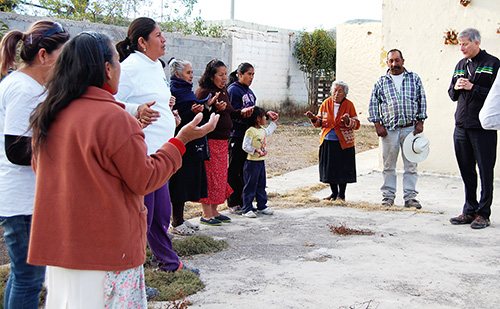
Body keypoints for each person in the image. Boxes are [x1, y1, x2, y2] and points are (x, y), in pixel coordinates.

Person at [27, 31, 218, 308]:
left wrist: (131, 136)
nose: (120, 68)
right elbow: (146, 178)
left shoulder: (50, 113)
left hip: (62, 253)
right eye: (117, 61)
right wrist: (181, 140)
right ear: (107, 69)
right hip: (106, 254)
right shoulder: (112, 118)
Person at [115, 17, 198, 274]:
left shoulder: (154, 66)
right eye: (158, 35)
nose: (164, 40)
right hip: (143, 154)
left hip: (160, 153)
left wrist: (167, 107)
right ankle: (136, 270)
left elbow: (153, 99)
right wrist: (134, 109)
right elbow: (108, 105)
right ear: (142, 42)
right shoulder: (128, 69)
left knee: (160, 214)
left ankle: (166, 262)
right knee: (146, 216)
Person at [0, 20, 69, 309]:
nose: (65, 65)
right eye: (62, 57)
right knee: (29, 278)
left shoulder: (28, 85)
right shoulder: (23, 89)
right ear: (43, 55)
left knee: (23, 276)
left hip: (26, 199)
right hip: (22, 201)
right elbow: (16, 150)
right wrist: (64, 151)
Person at [448, 28, 500, 229]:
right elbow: (451, 94)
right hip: (461, 126)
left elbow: (496, 96)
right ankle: (469, 210)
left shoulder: (493, 64)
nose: (461, 48)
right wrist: (457, 87)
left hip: (483, 128)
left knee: (485, 171)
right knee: (466, 170)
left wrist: (473, 88)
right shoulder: (461, 65)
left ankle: (483, 214)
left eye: (465, 44)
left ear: (476, 43)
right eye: (459, 44)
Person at [195, 59, 253, 226]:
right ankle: (206, 214)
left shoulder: (223, 91)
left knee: (220, 177)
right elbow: (197, 116)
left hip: (222, 141)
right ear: (211, 76)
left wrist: (242, 113)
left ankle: (214, 210)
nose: (224, 78)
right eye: (220, 75)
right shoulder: (204, 92)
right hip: (210, 141)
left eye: (225, 74)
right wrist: (211, 107)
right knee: (210, 177)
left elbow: (229, 112)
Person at [368, 49, 427, 209]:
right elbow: (374, 104)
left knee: (411, 165)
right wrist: (377, 124)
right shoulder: (381, 82)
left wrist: (420, 121)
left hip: (410, 129)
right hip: (389, 130)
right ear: (387, 63)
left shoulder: (414, 79)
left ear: (403, 60)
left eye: (397, 60)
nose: (394, 64)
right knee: (389, 166)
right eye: (391, 61)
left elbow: (422, 100)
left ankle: (410, 198)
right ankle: (388, 197)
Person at [168, 58, 218, 235]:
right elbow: (176, 118)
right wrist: (192, 112)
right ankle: (176, 222)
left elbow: (192, 112)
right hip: (183, 144)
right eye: (188, 72)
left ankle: (180, 219)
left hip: (194, 144)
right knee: (180, 182)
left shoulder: (186, 91)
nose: (191, 76)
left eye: (191, 72)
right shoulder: (174, 92)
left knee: (189, 181)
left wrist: (206, 106)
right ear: (177, 74)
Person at [227, 62, 278, 214]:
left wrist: (267, 113)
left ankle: (246, 202)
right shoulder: (233, 90)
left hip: (249, 136)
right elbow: (231, 113)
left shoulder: (250, 92)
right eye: (249, 74)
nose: (251, 77)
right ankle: (234, 202)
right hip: (237, 135)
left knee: (247, 171)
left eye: (253, 74)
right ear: (240, 74)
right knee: (235, 170)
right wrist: (243, 113)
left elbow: (255, 111)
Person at [305, 81, 360, 201]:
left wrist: (347, 121)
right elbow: (319, 122)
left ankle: (341, 195)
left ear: (345, 94)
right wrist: (313, 118)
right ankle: (333, 193)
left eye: (340, 91)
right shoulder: (326, 103)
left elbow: (357, 124)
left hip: (344, 143)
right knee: (330, 169)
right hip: (328, 141)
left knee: (342, 168)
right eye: (335, 90)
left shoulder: (349, 105)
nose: (336, 93)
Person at [241, 106, 278, 217]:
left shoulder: (261, 130)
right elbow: (245, 146)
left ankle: (262, 205)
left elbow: (268, 131)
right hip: (252, 163)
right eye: (264, 117)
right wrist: (255, 150)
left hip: (261, 161)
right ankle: (247, 208)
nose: (265, 119)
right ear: (258, 119)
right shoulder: (250, 131)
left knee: (261, 184)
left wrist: (274, 122)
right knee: (250, 185)